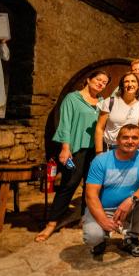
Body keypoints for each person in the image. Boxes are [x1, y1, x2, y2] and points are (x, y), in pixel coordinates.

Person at [35, 70, 110, 242]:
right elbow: (65, 124)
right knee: (69, 184)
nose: (101, 84)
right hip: (75, 149)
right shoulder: (72, 98)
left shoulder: (101, 102)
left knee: (91, 185)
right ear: (89, 79)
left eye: (104, 82)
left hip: (95, 149)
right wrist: (65, 148)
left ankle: (86, 218)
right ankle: (52, 223)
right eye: (98, 79)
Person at [83, 124, 139, 257]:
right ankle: (101, 239)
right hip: (102, 208)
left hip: (129, 208)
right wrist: (103, 220)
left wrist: (130, 200)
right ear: (117, 140)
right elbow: (91, 195)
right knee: (93, 237)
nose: (130, 141)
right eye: (125, 137)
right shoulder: (101, 160)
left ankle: (132, 238)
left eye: (134, 138)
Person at [95, 72, 139, 154]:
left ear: (138, 85)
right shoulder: (110, 101)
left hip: (132, 149)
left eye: (133, 81)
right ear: (122, 85)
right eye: (126, 81)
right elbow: (100, 128)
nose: (130, 84)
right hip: (110, 148)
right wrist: (99, 152)